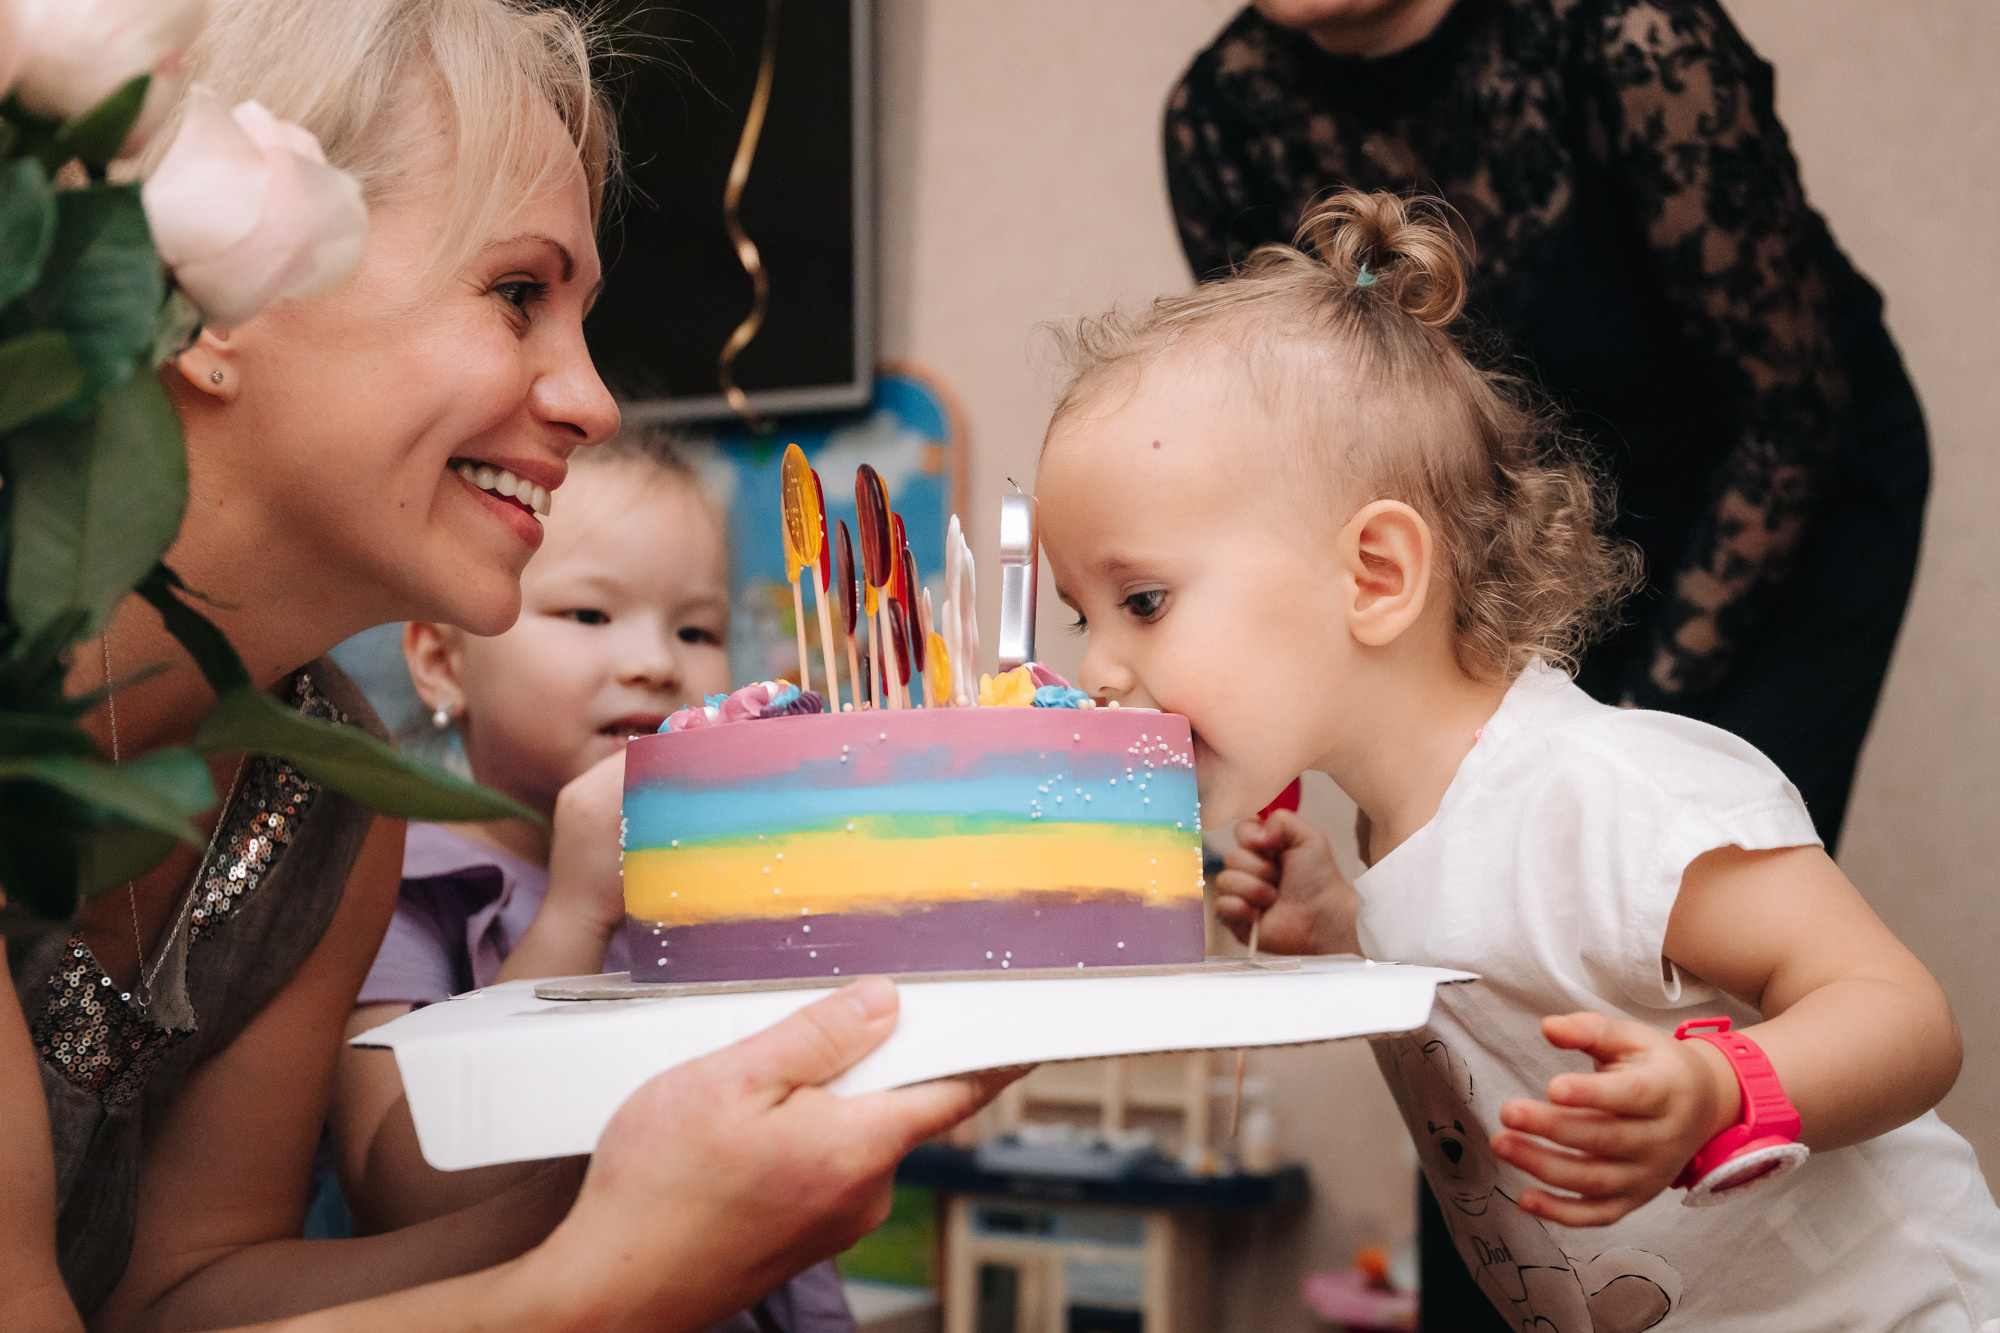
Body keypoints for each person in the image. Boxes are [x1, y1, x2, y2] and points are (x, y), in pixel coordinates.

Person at [1, 3, 1007, 1330]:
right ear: (197, 289)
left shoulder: (319, 807)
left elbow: (186, 1294)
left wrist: (640, 1189)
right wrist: (615, 1285)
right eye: (518, 293)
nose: (592, 400)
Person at [1033, 190, 2000, 1328]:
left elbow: (1903, 1016)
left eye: (1140, 600)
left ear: (1376, 576)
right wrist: (1342, 924)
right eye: (1079, 615)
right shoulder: (1396, 830)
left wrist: (1714, 1088)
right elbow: (1488, 955)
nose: (1097, 667)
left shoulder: (1609, 792)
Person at [1163, 0, 1929, 854]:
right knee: (1514, 863)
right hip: (1513, 528)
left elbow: (1793, 410)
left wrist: (1632, 725)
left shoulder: (1636, 35)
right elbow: (1329, 459)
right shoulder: (1219, 115)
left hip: (1780, 490)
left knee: (1689, 877)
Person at [324, 431, 849, 1329]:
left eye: (697, 629)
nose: (655, 661)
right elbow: (399, 1190)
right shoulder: (402, 880)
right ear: (442, 661)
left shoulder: (722, 890)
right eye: (590, 616)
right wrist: (575, 909)